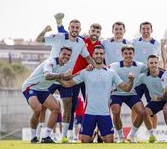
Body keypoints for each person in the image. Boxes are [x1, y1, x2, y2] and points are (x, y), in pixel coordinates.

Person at [59, 45, 135, 143]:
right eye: (96, 53)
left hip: (105, 113)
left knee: (109, 141)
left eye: (101, 53)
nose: (99, 55)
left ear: (104, 56)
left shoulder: (111, 73)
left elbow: (126, 88)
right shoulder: (86, 72)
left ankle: (99, 133)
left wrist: (131, 81)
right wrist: (57, 76)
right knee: (85, 141)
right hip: (89, 112)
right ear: (93, 55)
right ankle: (94, 133)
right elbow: (67, 83)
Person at [36, 19, 94, 143]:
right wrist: (45, 31)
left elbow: (88, 57)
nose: (75, 29)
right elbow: (39, 40)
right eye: (72, 27)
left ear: (80, 29)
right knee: (42, 107)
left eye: (77, 27)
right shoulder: (59, 36)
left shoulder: (81, 42)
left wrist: (98, 67)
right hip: (51, 77)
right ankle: (37, 134)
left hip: (65, 79)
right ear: (68, 28)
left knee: (68, 106)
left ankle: (64, 137)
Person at [54, 13, 102, 141]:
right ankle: (69, 133)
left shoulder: (101, 45)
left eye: (97, 31)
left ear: (99, 33)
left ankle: (90, 132)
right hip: (74, 76)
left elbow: (99, 61)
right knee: (72, 104)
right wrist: (59, 23)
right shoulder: (81, 39)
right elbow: (66, 32)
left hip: (88, 78)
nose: (95, 32)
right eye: (93, 30)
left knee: (91, 104)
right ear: (88, 31)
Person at [22, 46, 73, 143]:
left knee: (56, 109)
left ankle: (46, 137)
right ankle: (33, 137)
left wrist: (80, 73)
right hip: (30, 87)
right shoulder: (51, 62)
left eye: (68, 55)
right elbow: (47, 76)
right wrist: (63, 75)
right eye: (64, 54)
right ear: (59, 54)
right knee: (38, 110)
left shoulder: (63, 66)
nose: (66, 56)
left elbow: (65, 82)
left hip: (42, 89)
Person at [109, 45, 147, 143]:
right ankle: (121, 137)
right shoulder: (114, 66)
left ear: (134, 54)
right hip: (117, 93)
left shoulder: (140, 66)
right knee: (115, 111)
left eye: (130, 53)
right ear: (122, 54)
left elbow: (153, 68)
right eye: (126, 53)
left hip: (131, 94)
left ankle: (131, 135)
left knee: (142, 112)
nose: (128, 56)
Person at [132, 21, 161, 134]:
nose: (145, 31)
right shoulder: (135, 42)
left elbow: (160, 60)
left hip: (151, 79)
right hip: (138, 80)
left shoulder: (156, 43)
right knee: (134, 106)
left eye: (147, 28)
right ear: (140, 30)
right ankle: (134, 134)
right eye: (143, 29)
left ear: (151, 30)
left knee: (152, 108)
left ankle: (153, 134)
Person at [134, 54, 166, 143]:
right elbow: (133, 85)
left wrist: (160, 97)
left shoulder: (165, 74)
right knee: (144, 112)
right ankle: (148, 135)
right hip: (156, 101)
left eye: (155, 62)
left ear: (158, 63)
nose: (154, 65)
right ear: (147, 64)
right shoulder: (143, 76)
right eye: (151, 63)